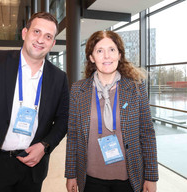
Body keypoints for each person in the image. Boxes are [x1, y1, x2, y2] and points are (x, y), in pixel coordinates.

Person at [0, 12, 69, 192]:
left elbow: (64, 119)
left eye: (48, 36)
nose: (41, 40)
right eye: (36, 32)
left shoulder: (59, 78)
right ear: (25, 33)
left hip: (32, 168)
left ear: (53, 43)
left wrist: (45, 146)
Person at [65, 31, 158, 192]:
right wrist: (71, 174)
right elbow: (73, 135)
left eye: (112, 50)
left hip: (129, 178)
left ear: (120, 55)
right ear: (92, 58)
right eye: (100, 51)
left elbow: (147, 133)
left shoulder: (136, 88)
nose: (106, 56)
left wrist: (151, 176)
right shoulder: (78, 90)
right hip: (90, 178)